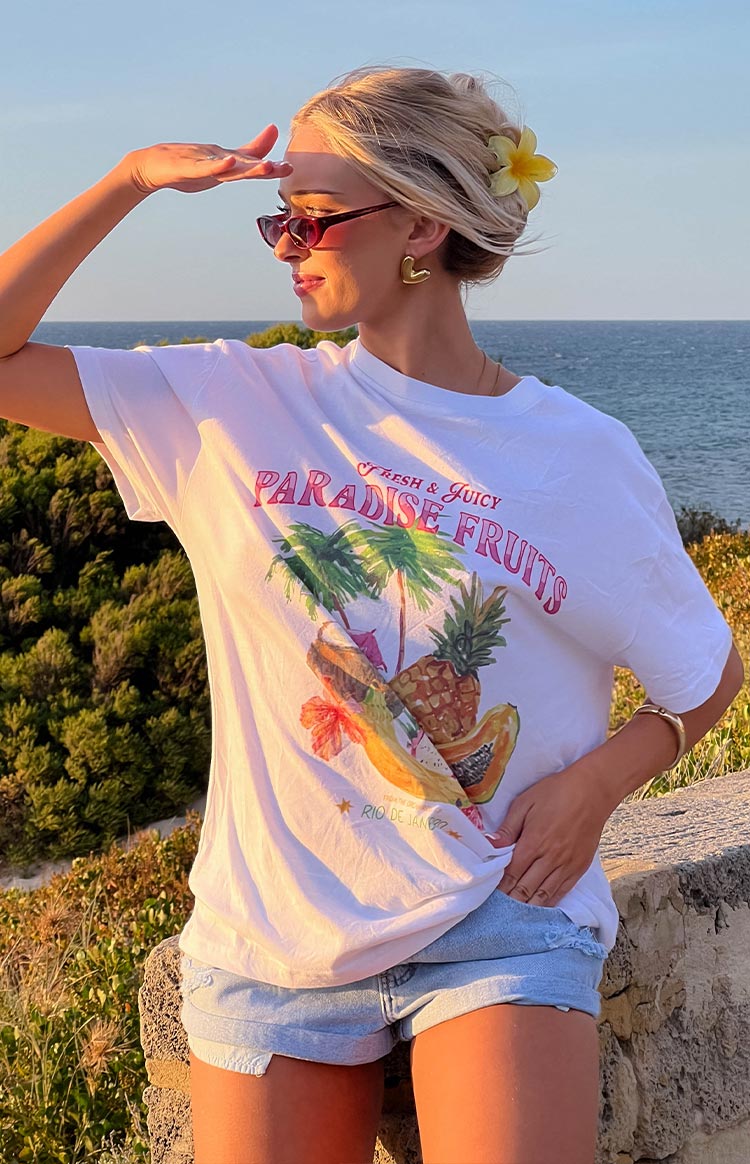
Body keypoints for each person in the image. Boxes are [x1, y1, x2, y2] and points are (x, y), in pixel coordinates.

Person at [0, 63, 743, 1164]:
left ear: (423, 226)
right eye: (279, 221)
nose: (286, 247)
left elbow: (707, 671)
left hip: (499, 916)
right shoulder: (228, 404)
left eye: (313, 218)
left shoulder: (578, 456)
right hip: (271, 934)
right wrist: (129, 183)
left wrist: (597, 786)